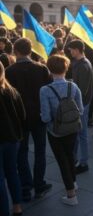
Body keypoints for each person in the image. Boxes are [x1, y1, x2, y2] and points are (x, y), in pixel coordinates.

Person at [5, 38, 53, 201]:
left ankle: (25, 187)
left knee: (21, 152)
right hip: (39, 117)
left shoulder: (9, 71)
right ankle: (39, 185)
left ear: (16, 52)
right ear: (30, 50)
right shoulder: (42, 69)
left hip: (19, 118)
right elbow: (49, 92)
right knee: (40, 151)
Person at [39, 55, 83, 206]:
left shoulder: (45, 90)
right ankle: (74, 182)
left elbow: (45, 117)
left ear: (49, 70)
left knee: (62, 160)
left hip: (55, 131)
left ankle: (71, 195)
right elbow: (81, 110)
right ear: (66, 68)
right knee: (70, 155)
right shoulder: (74, 86)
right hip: (72, 128)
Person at [0, 62, 24, 216]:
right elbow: (22, 116)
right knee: (12, 172)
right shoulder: (12, 91)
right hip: (13, 139)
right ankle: (17, 207)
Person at [68, 40, 93, 174]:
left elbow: (81, 90)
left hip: (81, 104)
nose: (70, 51)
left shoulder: (83, 65)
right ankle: (75, 158)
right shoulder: (80, 63)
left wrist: (76, 105)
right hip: (81, 102)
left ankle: (84, 162)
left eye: (71, 49)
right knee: (78, 132)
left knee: (82, 133)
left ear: (77, 50)